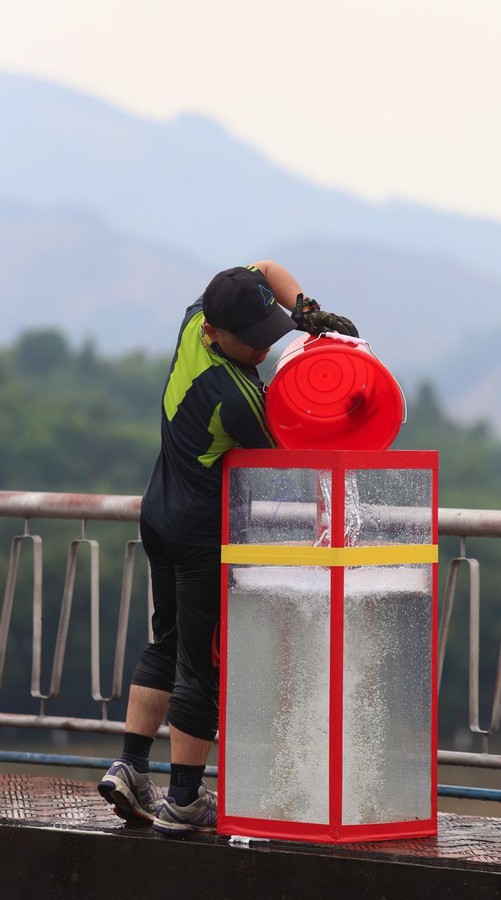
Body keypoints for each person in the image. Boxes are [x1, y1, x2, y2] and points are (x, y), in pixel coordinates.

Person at [98, 261, 358, 834]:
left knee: (163, 642)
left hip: (158, 515)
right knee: (201, 666)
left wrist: (303, 309)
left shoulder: (195, 320)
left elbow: (263, 266)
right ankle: (185, 800)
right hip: (199, 537)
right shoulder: (239, 400)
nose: (264, 348)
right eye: (253, 340)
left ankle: (131, 766)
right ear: (218, 334)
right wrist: (348, 405)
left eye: (271, 332)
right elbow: (295, 441)